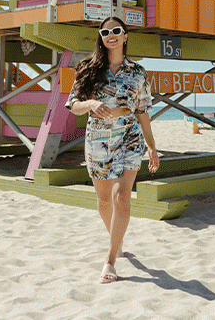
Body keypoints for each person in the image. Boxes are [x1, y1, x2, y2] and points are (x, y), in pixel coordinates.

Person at [66, 16, 159, 284]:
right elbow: (73, 105)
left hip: (130, 138)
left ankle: (110, 260)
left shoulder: (138, 72)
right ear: (101, 37)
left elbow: (142, 112)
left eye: (116, 31)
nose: (111, 35)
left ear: (125, 36)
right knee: (105, 200)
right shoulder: (88, 68)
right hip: (98, 141)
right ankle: (115, 241)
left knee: (121, 197)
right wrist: (91, 104)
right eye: (105, 32)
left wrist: (152, 147)